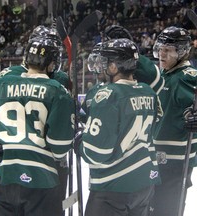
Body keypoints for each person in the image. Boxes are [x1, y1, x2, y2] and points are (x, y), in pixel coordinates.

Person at [0, 36, 75, 216]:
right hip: (43, 180)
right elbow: (60, 147)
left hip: (6, 177)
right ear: (52, 64)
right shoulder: (56, 90)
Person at [76, 38, 161, 216]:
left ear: (114, 67)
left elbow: (95, 152)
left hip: (113, 186)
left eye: (105, 63)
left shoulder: (108, 95)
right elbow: (157, 124)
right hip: (145, 182)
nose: (103, 67)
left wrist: (79, 144)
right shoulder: (148, 91)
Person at [151, 26, 197, 216]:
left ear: (183, 52)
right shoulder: (165, 74)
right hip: (157, 156)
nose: (161, 54)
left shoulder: (186, 77)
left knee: (167, 210)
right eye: (160, 49)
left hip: (176, 160)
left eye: (168, 50)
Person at [81, 25, 165, 120]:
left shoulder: (122, 93)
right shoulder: (94, 91)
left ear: (113, 64)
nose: (97, 67)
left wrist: (127, 51)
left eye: (102, 61)